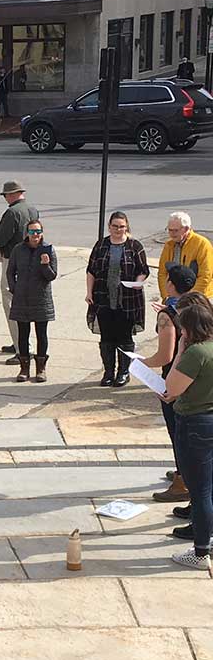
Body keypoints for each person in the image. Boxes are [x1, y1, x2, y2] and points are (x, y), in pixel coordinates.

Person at [163, 295, 213, 571]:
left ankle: (201, 551)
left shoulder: (196, 353)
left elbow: (172, 387)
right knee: (211, 487)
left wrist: (181, 349)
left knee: (201, 490)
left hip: (195, 423)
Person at [143, 267, 198, 506]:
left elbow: (165, 355)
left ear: (171, 284)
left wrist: (140, 362)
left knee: (177, 431)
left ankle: (182, 481)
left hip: (174, 376)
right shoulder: (199, 305)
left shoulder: (167, 314)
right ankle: (183, 473)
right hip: (196, 375)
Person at [86, 211, 149, 387]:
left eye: (121, 226)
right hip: (103, 298)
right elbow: (91, 270)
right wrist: (89, 292)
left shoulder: (134, 246)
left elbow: (143, 270)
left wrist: (137, 282)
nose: (118, 229)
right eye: (115, 226)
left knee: (124, 338)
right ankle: (108, 372)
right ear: (109, 227)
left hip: (127, 300)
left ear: (126, 226)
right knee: (106, 338)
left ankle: (123, 372)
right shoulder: (101, 245)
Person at [0, 180, 40, 363]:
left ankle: (22, 348)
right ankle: (21, 344)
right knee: (24, 304)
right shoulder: (32, 210)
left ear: (12, 194)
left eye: (6, 195)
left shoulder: (11, 213)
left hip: (13, 261)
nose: (5, 198)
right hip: (31, 259)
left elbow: (0, 238)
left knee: (12, 304)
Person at [7, 220, 57, 383]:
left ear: (42, 232)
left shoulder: (48, 250)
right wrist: (14, 288)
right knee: (23, 333)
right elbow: (10, 271)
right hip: (22, 297)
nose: (35, 235)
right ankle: (24, 368)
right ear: (26, 233)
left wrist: (45, 264)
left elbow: (52, 276)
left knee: (41, 334)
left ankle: (41, 368)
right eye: (32, 232)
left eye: (38, 232)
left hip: (41, 298)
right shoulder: (18, 249)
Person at [157, 211, 213, 300]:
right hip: (174, 296)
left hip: (197, 298)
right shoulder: (169, 245)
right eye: (169, 230)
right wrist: (166, 296)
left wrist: (187, 298)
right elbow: (162, 273)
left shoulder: (202, 244)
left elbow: (205, 276)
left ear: (186, 229)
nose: (172, 233)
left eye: (175, 230)